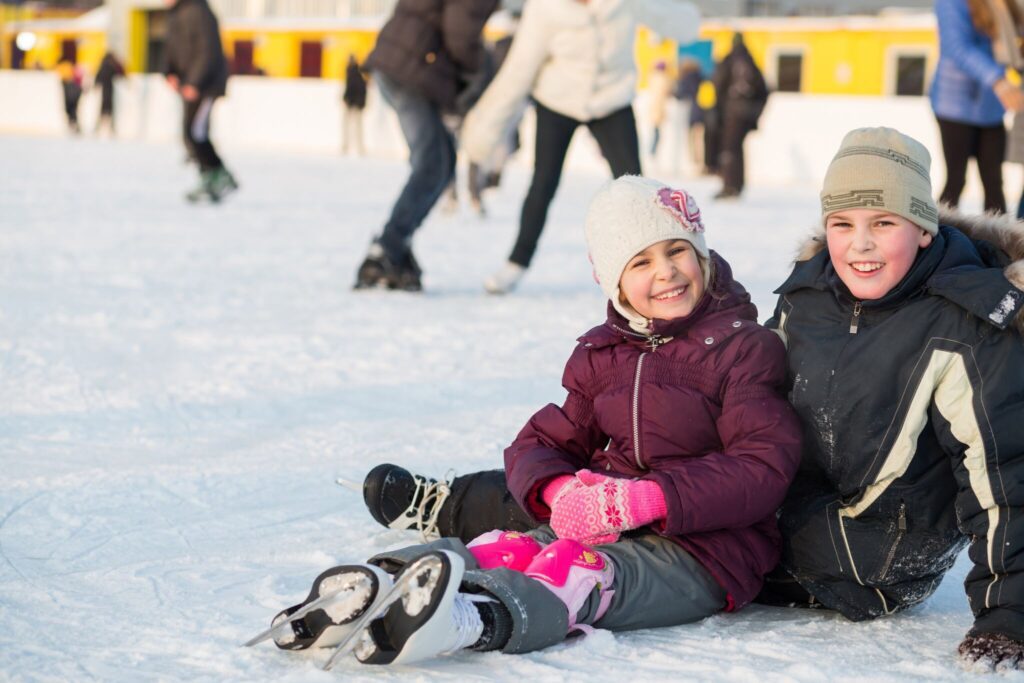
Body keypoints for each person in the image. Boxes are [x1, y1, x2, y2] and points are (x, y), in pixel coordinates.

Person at [358, 128, 1024, 670]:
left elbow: (1005, 481)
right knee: (588, 483)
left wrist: (1007, 617)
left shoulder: (966, 329)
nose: (862, 243)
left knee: (619, 529)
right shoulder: (811, 295)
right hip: (768, 519)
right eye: (843, 222)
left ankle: (502, 597)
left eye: (885, 221)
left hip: (856, 557)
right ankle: (446, 513)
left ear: (925, 229)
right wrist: (589, 487)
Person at [254, 176, 802, 667]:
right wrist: (561, 490)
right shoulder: (604, 355)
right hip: (613, 528)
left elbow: (761, 467)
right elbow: (540, 441)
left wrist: (647, 499)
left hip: (708, 553)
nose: (665, 272)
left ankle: (471, 617)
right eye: (640, 262)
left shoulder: (743, 350)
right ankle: (381, 585)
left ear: (702, 254)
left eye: (677, 250)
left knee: (571, 568)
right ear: (612, 280)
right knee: (507, 546)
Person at [462, 0, 700, 295]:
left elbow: (680, 23)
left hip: (612, 100)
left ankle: (655, 263)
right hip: (557, 101)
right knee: (543, 183)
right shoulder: (545, 8)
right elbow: (518, 71)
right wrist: (483, 131)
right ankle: (516, 262)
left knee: (637, 187)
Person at [353, 0, 499, 292]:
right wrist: (481, 67)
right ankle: (386, 249)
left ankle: (396, 245)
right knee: (432, 165)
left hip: (403, 61)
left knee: (441, 164)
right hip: (412, 66)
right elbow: (461, 33)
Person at [931, 0, 1024, 213]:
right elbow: (957, 47)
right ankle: (937, 240)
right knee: (956, 181)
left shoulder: (1007, 4)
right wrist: (997, 80)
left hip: (990, 109)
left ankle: (998, 245)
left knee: (994, 184)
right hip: (955, 105)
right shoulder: (952, 3)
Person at [163, 0, 238, 203]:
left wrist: (196, 82)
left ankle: (218, 176)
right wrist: (169, 71)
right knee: (190, 133)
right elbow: (173, 46)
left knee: (195, 132)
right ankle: (210, 176)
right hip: (189, 82)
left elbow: (208, 50)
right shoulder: (175, 13)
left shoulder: (198, 10)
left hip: (205, 84)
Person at [710, 33, 767, 200]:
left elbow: (718, 84)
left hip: (731, 113)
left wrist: (718, 109)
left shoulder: (730, 60)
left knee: (728, 149)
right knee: (738, 149)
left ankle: (729, 186)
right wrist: (754, 114)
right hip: (745, 115)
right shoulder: (751, 62)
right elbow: (764, 90)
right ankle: (738, 185)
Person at [93, 52, 125, 138]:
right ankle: (108, 127)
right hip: (109, 90)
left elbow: (98, 76)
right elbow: (121, 73)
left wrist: (96, 84)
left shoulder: (104, 66)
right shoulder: (111, 66)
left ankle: (101, 127)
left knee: (104, 108)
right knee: (108, 108)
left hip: (105, 90)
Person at [341, 54, 367, 156]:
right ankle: (356, 147)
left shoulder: (352, 72)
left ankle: (350, 146)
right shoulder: (359, 72)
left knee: (352, 126)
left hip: (352, 103)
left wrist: (347, 99)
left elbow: (351, 88)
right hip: (356, 103)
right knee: (356, 126)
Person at [57, 60, 83, 135]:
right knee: (72, 111)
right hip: (71, 99)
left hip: (73, 99)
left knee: (73, 111)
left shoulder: (76, 71)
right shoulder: (68, 71)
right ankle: (73, 125)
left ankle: (74, 126)